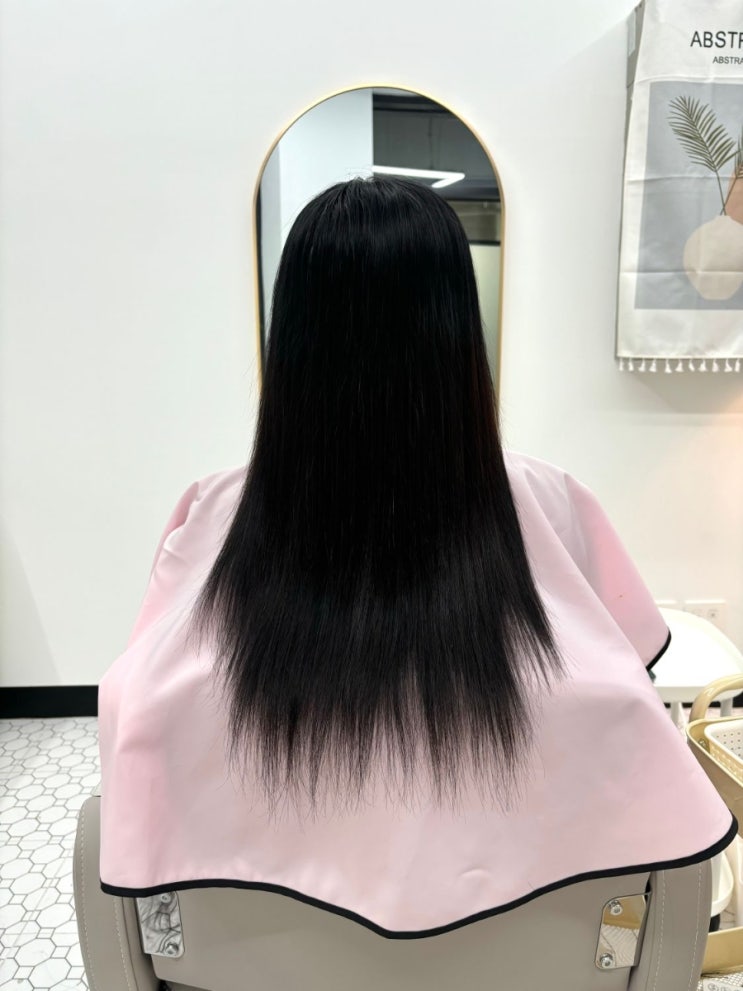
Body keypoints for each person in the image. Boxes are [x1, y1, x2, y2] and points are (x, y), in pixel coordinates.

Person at [98, 177, 734, 937]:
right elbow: (627, 661)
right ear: (458, 331)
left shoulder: (210, 507)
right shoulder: (550, 497)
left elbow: (143, 691)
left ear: (291, 335)